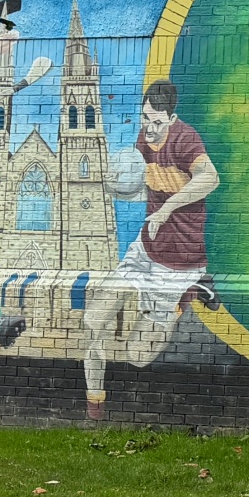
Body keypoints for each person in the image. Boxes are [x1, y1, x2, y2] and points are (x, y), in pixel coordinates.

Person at [82, 80, 219, 419]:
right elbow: (146, 187)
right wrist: (115, 186)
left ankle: (187, 294)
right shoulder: (144, 140)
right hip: (144, 249)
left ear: (171, 118)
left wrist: (166, 210)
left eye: (157, 121)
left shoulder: (185, 140)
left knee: (137, 356)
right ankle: (95, 406)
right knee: (92, 320)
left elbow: (210, 178)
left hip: (179, 263)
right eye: (145, 118)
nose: (150, 127)